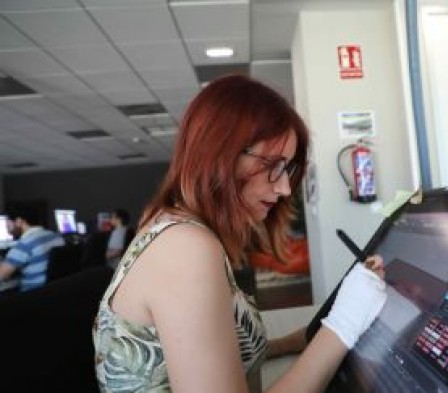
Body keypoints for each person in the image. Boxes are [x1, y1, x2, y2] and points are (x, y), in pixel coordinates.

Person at [92, 74, 387, 392]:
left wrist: (290, 343)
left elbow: (202, 352)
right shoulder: (185, 248)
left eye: (287, 169)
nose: (285, 187)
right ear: (220, 154)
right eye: (273, 165)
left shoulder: (165, 221)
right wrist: (343, 324)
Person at [0, 207, 65, 291]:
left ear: (19, 221)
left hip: (31, 297)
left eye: (8, 221)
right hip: (54, 292)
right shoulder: (55, 236)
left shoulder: (26, 244)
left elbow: (2, 275)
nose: (6, 226)